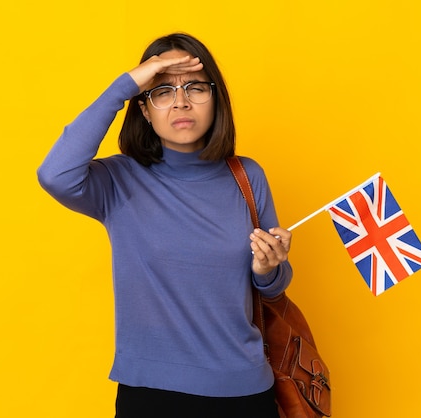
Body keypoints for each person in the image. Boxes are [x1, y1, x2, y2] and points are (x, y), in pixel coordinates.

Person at [37, 33, 293, 418]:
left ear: (215, 97)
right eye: (162, 91)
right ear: (143, 108)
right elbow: (55, 174)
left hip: (244, 391)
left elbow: (275, 282)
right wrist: (128, 83)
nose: (181, 101)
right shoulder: (118, 180)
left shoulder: (247, 175)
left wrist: (267, 268)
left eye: (195, 87)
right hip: (151, 395)